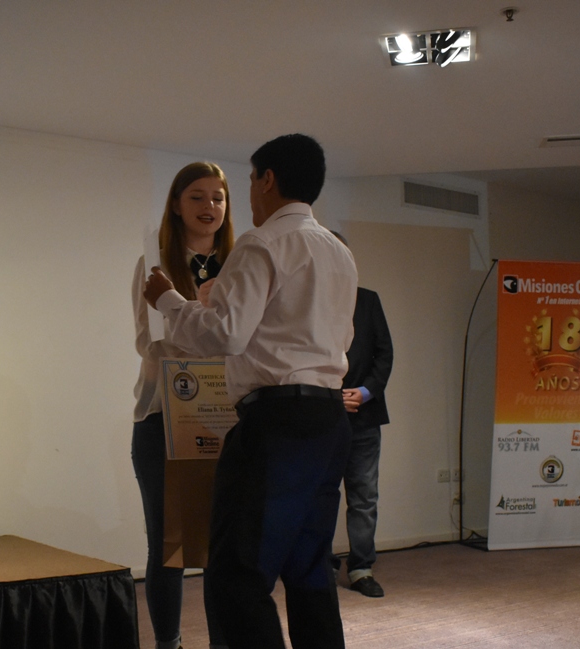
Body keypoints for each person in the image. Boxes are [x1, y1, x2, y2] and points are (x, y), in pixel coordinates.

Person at [144, 134, 357, 649]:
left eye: (242, 184)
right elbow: (340, 336)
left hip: (276, 423)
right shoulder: (338, 251)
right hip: (329, 420)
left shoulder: (261, 244)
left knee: (237, 574)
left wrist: (171, 303)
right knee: (310, 570)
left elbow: (225, 335)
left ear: (267, 180)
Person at [132, 161, 234, 649]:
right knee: (168, 547)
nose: (209, 206)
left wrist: (190, 319)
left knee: (222, 549)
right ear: (176, 204)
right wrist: (201, 319)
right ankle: (167, 643)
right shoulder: (154, 265)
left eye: (218, 197)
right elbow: (151, 342)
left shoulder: (241, 265)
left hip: (227, 419)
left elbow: (243, 341)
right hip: (163, 416)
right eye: (197, 196)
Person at [331, 233, 394, 599]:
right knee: (320, 496)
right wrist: (331, 397)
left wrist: (365, 392)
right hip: (322, 416)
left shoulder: (368, 300)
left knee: (364, 497)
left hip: (364, 417)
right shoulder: (305, 301)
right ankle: (320, 566)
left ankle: (360, 568)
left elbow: (384, 355)